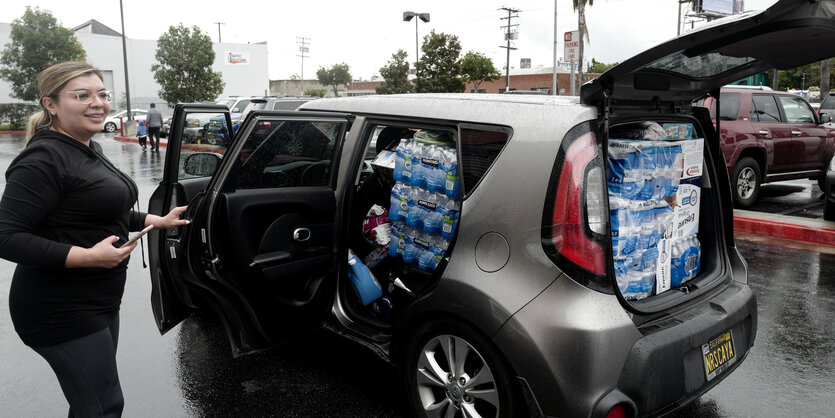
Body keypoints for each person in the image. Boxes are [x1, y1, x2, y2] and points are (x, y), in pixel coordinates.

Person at [0, 61, 188, 417]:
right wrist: (87, 257)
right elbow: (6, 235)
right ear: (50, 104)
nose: (97, 102)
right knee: (103, 406)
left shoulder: (87, 148)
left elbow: (102, 212)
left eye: (102, 94)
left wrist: (156, 220)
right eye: (82, 95)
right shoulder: (43, 158)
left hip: (99, 299)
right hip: (58, 307)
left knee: (92, 403)